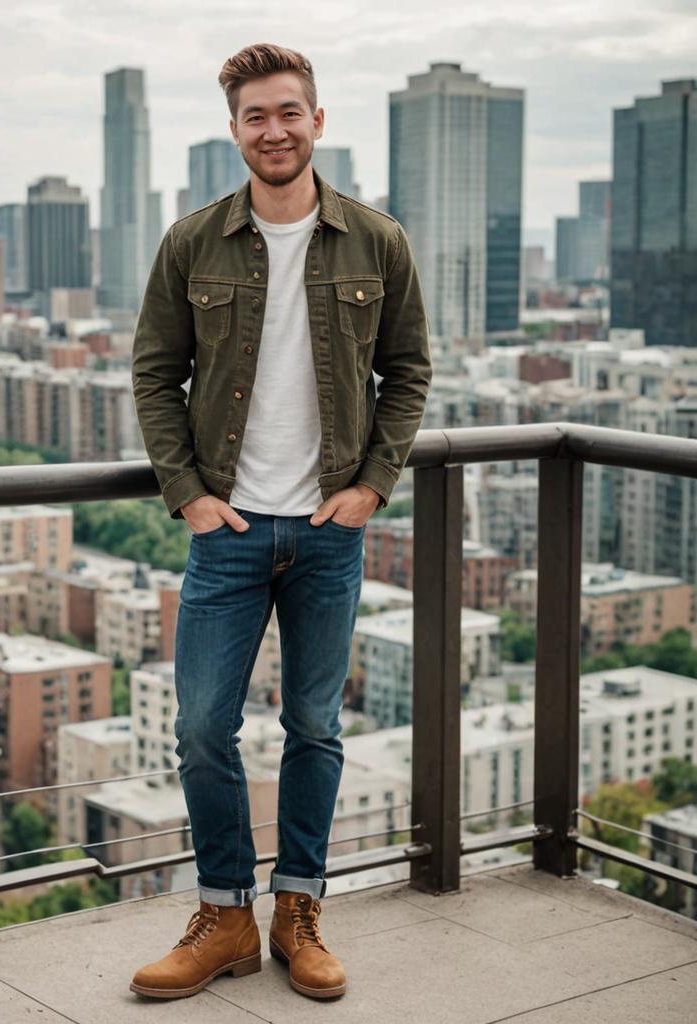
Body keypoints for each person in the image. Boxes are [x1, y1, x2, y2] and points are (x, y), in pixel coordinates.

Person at [129, 42, 432, 1001]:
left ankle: (298, 910)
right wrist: (187, 492)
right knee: (203, 729)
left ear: (317, 121)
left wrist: (373, 485)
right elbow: (153, 372)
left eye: (288, 112)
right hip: (226, 530)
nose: (274, 130)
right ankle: (224, 914)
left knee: (314, 727)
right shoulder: (191, 242)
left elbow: (411, 371)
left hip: (329, 532)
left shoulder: (377, 241)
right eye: (256, 116)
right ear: (234, 130)